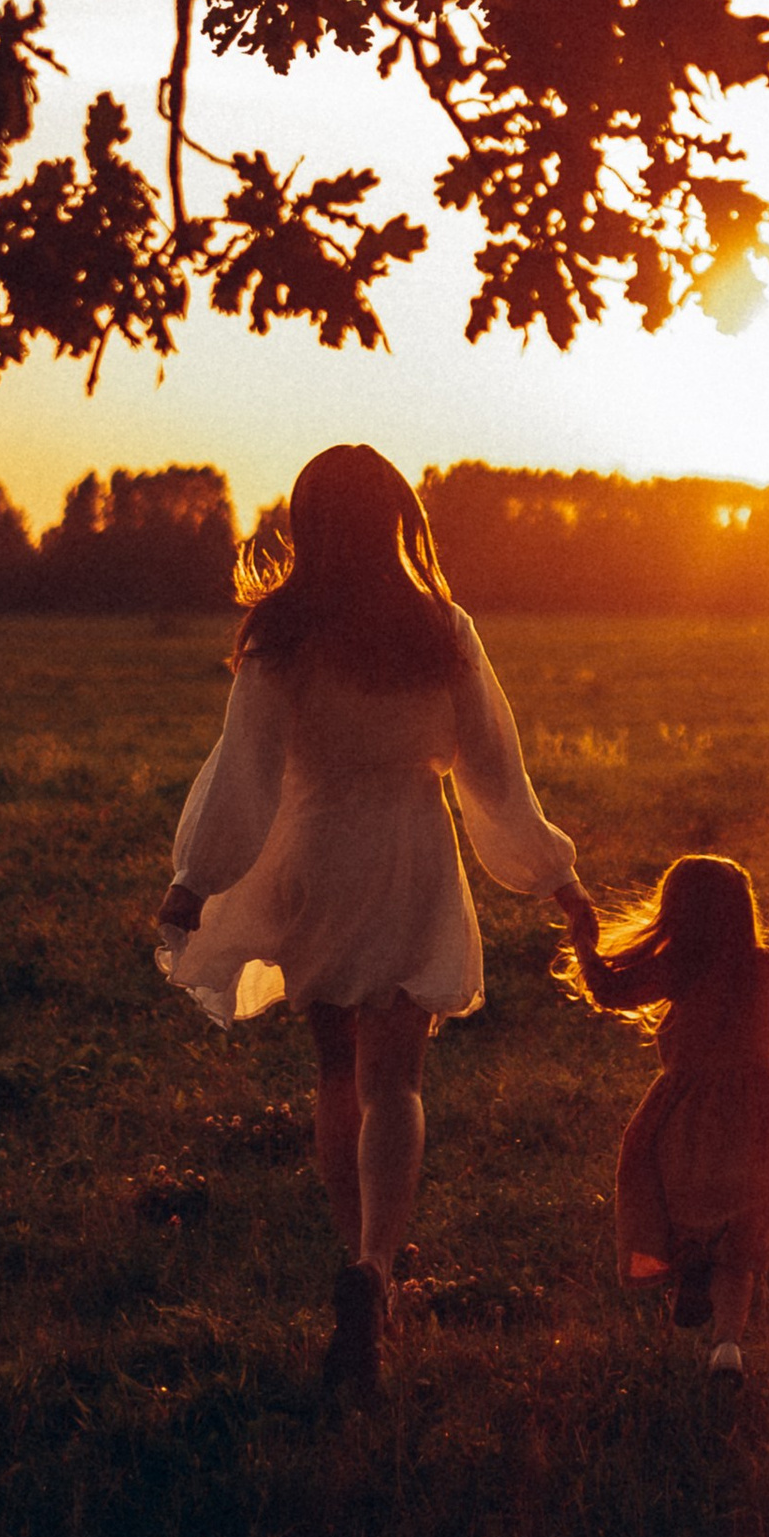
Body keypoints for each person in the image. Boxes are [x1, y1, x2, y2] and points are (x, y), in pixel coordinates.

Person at [155, 443, 588, 1405]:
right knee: (397, 1078)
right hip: (408, 855)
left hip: (318, 856)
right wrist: (554, 877)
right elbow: (493, 774)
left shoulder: (282, 633)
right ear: (399, 519)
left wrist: (196, 879)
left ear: (308, 524)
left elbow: (246, 769)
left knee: (335, 1069)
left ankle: (358, 1251)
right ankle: (378, 1271)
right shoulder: (440, 628)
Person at [559, 856, 769, 1377]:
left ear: (675, 913)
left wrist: (583, 942)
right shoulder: (760, 961)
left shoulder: (678, 966)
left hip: (685, 1118)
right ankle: (728, 1346)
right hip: (751, 1123)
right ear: (741, 911)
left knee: (678, 1211)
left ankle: (688, 1267)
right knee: (740, 1243)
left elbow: (610, 992)